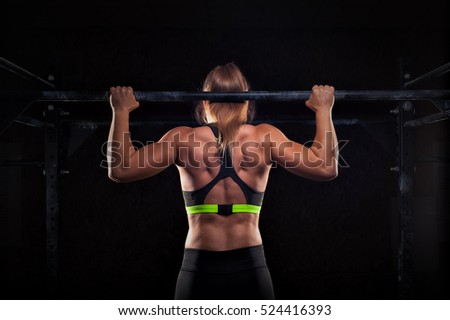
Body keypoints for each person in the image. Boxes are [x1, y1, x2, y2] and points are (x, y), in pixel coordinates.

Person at [107, 62, 338, 299]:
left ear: (205, 103)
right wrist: (323, 109)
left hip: (198, 269)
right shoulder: (265, 137)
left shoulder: (183, 139)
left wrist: (121, 111)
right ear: (247, 102)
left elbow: (120, 169)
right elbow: (326, 166)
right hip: (250, 267)